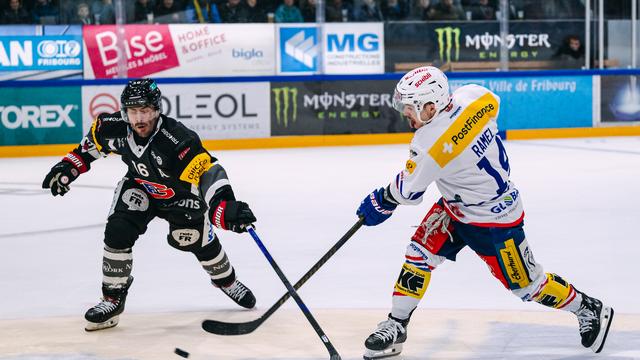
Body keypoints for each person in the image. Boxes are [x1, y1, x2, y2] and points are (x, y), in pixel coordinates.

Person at [355, 66, 614, 359]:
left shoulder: (430, 143)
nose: (406, 114)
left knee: (527, 287)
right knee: (418, 253)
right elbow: (492, 104)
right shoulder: (474, 96)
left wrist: (380, 200)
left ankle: (588, 307)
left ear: (430, 106)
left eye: (410, 108)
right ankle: (397, 325)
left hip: (495, 222)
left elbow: (406, 193)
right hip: (457, 208)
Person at [42, 79, 257, 331]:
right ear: (125, 112)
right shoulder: (112, 127)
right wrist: (67, 168)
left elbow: (208, 172)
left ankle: (226, 281)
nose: (139, 118)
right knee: (117, 231)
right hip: (141, 187)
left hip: (180, 197)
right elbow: (88, 149)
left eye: (144, 110)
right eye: (133, 111)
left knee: (195, 241)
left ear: (156, 109)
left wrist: (224, 206)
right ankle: (112, 300)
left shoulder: (177, 140)